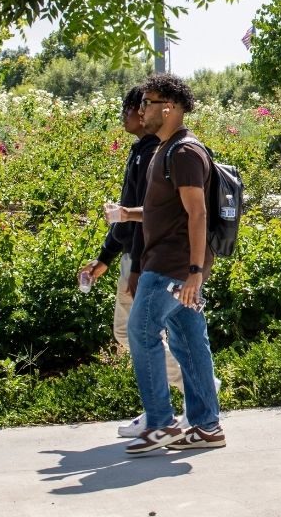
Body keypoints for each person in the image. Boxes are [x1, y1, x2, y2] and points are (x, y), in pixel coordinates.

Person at [110, 73, 225, 453]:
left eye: (148, 102)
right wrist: (129, 214)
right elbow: (167, 210)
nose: (141, 110)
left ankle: (161, 423)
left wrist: (194, 272)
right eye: (141, 103)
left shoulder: (185, 152)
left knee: (142, 335)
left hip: (172, 267)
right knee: (190, 342)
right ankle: (207, 426)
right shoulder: (165, 149)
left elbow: (197, 214)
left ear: (169, 107)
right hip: (172, 264)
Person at [79, 85, 186, 438]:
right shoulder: (141, 152)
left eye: (130, 109)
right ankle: (165, 405)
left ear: (142, 112)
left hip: (148, 261)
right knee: (137, 334)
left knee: (135, 333)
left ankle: (189, 390)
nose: (126, 117)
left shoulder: (154, 152)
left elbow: (148, 217)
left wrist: (139, 267)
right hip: (135, 258)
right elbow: (126, 218)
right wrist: (105, 257)